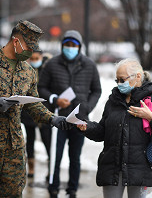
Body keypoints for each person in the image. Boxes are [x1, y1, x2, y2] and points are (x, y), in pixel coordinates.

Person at [0, 20, 71, 198]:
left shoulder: (28, 72)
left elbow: (32, 103)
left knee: (13, 194)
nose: (31, 52)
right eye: (29, 46)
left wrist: (51, 118)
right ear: (16, 41)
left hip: (14, 147)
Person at [76, 58, 152, 198]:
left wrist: (151, 117)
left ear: (137, 77)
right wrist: (86, 127)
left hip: (141, 168)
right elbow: (102, 131)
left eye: (122, 80)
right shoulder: (113, 101)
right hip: (113, 167)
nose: (119, 84)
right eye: (116, 80)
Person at [38, 30, 102, 198]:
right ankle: (53, 187)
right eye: (67, 44)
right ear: (62, 45)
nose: (70, 48)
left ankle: (72, 189)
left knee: (75, 157)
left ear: (79, 47)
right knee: (55, 156)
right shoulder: (52, 64)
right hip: (59, 118)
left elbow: (97, 90)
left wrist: (87, 107)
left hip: (79, 120)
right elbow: (41, 87)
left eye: (73, 45)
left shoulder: (89, 65)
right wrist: (54, 99)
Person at [21, 50, 51, 178]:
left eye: (36, 58)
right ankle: (31, 167)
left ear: (41, 57)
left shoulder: (47, 69)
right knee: (30, 140)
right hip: (28, 112)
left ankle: (51, 167)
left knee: (47, 140)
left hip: (44, 110)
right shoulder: (25, 69)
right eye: (31, 58)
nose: (34, 60)